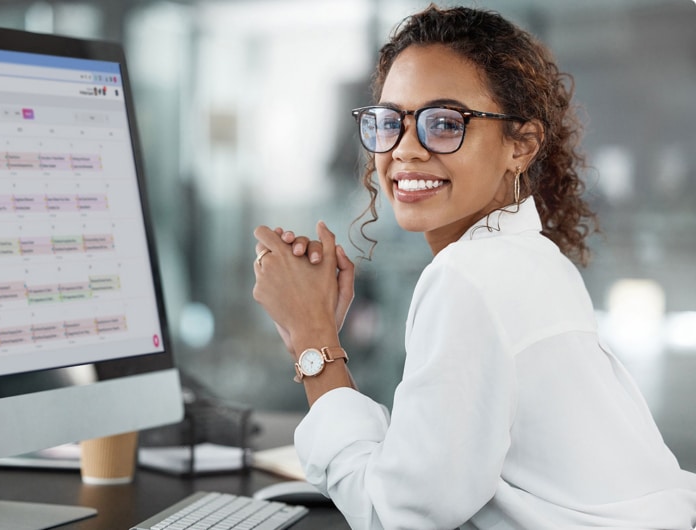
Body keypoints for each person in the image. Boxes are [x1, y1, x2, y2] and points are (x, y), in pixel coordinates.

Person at [251, 4, 696, 530]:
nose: (406, 150)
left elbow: (395, 515)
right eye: (390, 122)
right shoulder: (530, 260)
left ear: (521, 146)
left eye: (444, 123)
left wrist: (312, 341)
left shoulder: (468, 277)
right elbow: (437, 463)